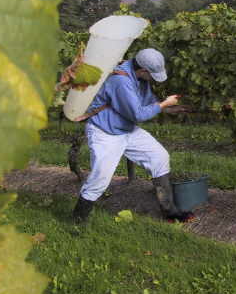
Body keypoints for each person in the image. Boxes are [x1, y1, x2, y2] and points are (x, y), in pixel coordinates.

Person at [71, 48, 193, 223]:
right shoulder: (121, 81)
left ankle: (170, 213)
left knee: (159, 157)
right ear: (143, 70)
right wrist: (164, 104)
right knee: (100, 179)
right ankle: (77, 221)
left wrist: (171, 108)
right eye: (151, 75)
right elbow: (138, 114)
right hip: (106, 132)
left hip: (126, 129)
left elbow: (148, 102)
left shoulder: (140, 78)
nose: (152, 79)